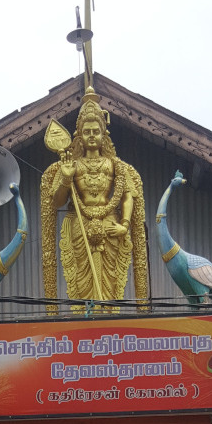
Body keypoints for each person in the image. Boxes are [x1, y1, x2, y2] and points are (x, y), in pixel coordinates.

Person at [41, 87, 148, 306]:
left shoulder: (115, 165)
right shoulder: (71, 165)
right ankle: (86, 318)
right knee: (82, 282)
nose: (91, 136)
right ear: (79, 135)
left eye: (96, 132)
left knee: (110, 282)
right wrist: (66, 179)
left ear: (103, 134)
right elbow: (56, 202)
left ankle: (107, 317)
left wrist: (125, 225)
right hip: (79, 226)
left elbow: (127, 196)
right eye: (87, 132)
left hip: (111, 226)